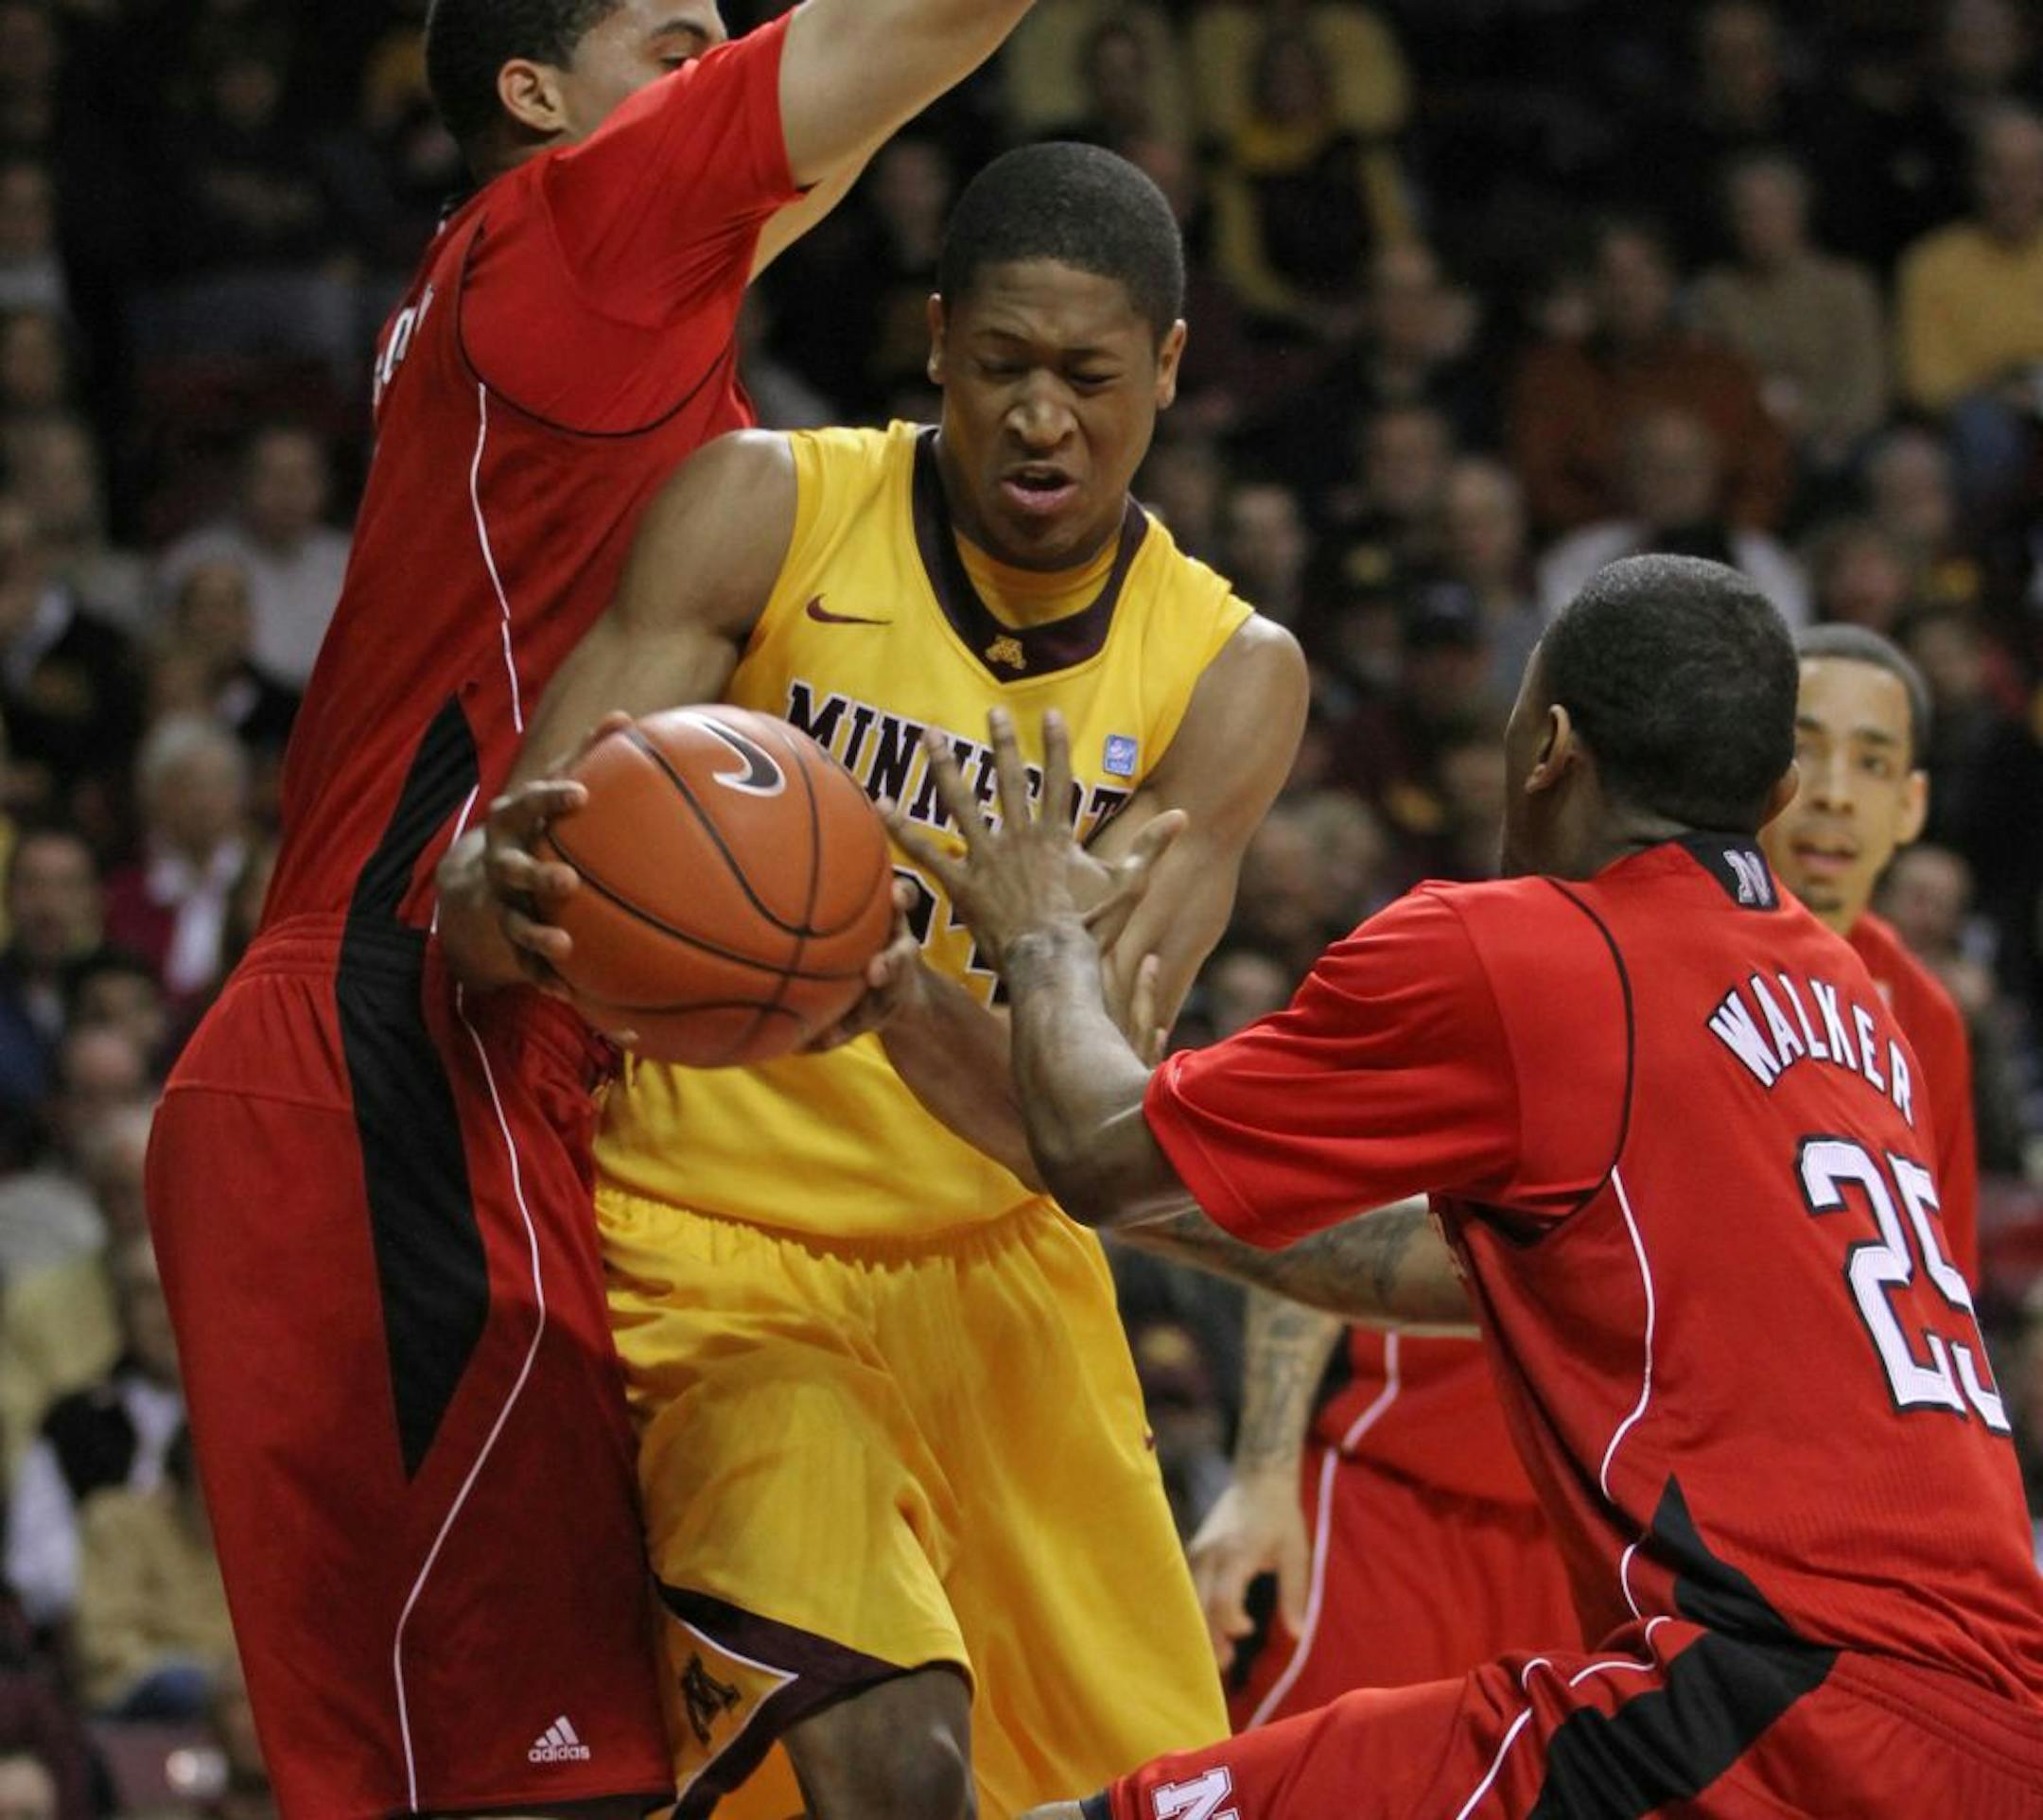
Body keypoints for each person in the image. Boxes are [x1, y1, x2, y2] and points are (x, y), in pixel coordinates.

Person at [141, 1, 1050, 1813]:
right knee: (527, 1785)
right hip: (398, 1042)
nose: (719, 73)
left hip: (448, 1052)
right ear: (537, 96)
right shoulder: (581, 225)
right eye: (675, 42)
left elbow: (836, 138)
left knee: (538, 1768)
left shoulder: (564, 302)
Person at [894, 553, 2043, 1818]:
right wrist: (902, 1005)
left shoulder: (1517, 953)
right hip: (1992, 1712)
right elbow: (1455, 1270)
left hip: (1768, 1695)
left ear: (1547, 743)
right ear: (1770, 793)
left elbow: (1100, 1147)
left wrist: (1042, 928)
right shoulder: (1849, 1002)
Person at [445, 143, 1306, 1819]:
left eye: (1089, 377)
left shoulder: (1225, 671)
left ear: (1173, 370)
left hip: (1012, 1286)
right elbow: (493, 912)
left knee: (1167, 1794)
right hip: (724, 1263)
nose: (1040, 418)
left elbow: (1082, 1138)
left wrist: (894, 985)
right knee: (886, 1768)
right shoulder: (766, 503)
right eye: (1000, 368)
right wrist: (506, 882)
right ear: (935, 341)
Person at [1759, 624, 1982, 1282]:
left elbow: (1948, 1275)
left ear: (1910, 807)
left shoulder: (1925, 1017)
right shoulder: (1658, 954)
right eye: (1803, 750)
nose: (1834, 793)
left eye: (1872, 763)